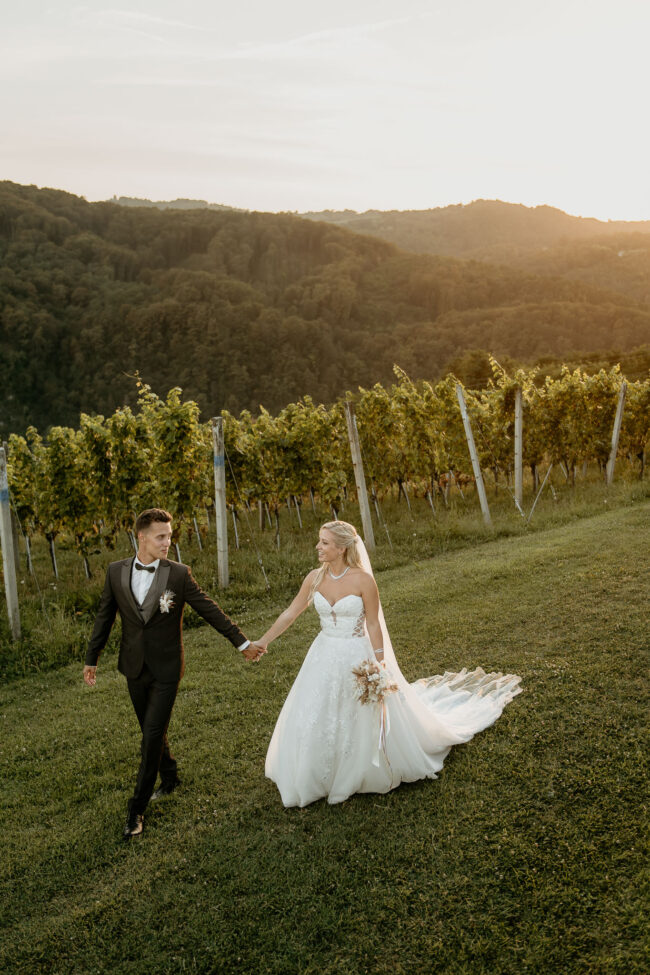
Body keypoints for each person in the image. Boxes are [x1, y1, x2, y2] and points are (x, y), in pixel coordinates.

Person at [257, 520, 522, 808]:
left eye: (324, 542)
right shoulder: (314, 578)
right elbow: (290, 613)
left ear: (342, 548)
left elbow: (373, 624)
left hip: (356, 655)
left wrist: (380, 665)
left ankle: (359, 768)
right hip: (322, 654)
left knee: (360, 712)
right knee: (316, 709)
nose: (317, 547)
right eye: (320, 541)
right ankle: (315, 769)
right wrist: (263, 641)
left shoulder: (363, 580)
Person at [83, 508, 264, 840]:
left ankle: (136, 809)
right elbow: (104, 617)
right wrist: (91, 658)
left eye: (169, 536)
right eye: (161, 537)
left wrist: (242, 643)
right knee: (150, 729)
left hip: (167, 669)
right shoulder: (115, 572)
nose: (168, 542)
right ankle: (170, 776)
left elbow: (209, 609)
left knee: (151, 735)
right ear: (141, 537)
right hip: (133, 666)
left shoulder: (178, 574)